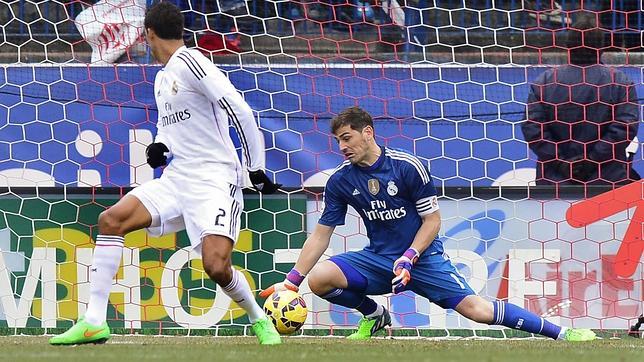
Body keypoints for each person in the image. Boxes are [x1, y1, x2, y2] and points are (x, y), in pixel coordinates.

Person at [50, 2, 282, 345]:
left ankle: (258, 318)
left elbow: (240, 110)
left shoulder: (193, 62)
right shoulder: (163, 76)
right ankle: (94, 321)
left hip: (214, 179)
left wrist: (255, 167)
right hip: (177, 177)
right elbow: (169, 126)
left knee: (216, 267)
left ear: (149, 33)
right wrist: (161, 146)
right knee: (112, 220)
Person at [260, 106, 596, 341]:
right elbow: (321, 235)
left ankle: (562, 332)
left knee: (476, 310)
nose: (343, 147)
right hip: (378, 259)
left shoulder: (407, 167)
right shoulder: (340, 181)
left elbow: (432, 221)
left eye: (347, 138)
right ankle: (374, 315)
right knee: (319, 279)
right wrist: (291, 282)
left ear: (368, 132)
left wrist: (410, 257)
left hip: (422, 259)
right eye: (338, 141)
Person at [522, 12, 640, 186]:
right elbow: (625, 128)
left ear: (568, 45)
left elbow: (533, 129)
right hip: (607, 181)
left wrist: (562, 163)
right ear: (602, 46)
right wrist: (592, 161)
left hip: (556, 182)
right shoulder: (620, 82)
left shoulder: (544, 82)